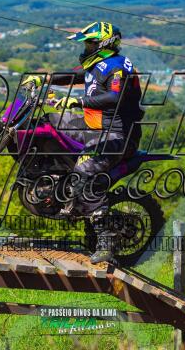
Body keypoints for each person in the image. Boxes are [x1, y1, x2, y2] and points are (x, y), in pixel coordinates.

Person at [44, 21, 145, 263]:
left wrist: (78, 102)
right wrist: (43, 79)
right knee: (48, 123)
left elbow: (113, 96)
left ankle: (106, 242)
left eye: (90, 44)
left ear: (103, 44)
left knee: (84, 173)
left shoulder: (117, 67)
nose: (86, 48)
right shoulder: (99, 65)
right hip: (95, 129)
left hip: (117, 136)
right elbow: (76, 76)